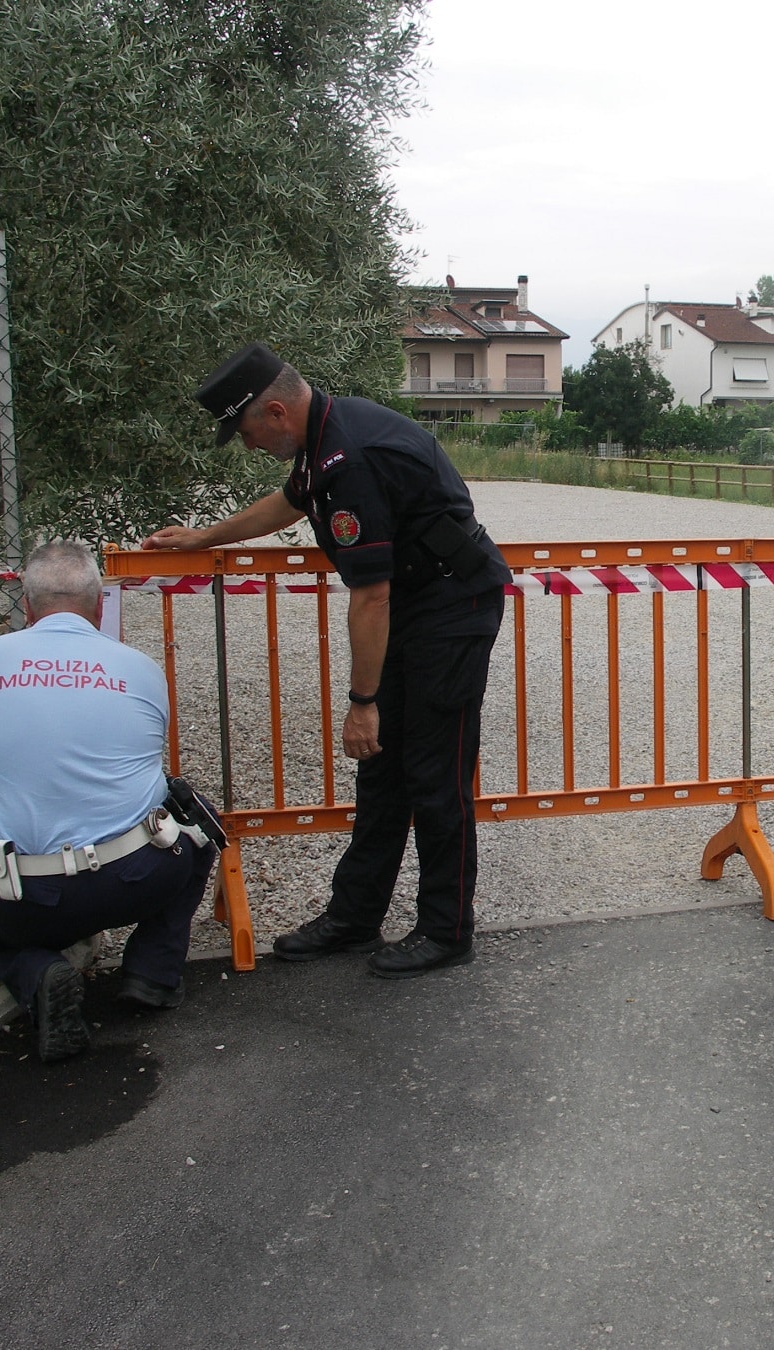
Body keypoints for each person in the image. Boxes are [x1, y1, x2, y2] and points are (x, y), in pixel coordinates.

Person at [141, 343, 510, 977]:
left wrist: (362, 704)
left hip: (449, 608)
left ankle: (447, 930)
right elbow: (289, 501)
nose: (249, 445)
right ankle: (356, 918)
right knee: (382, 772)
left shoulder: (351, 459)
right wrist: (206, 536)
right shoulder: (325, 437)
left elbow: (370, 594)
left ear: (277, 411)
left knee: (433, 773)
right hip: (416, 603)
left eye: (247, 430)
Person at [0, 541, 216, 1061]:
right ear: (100, 608)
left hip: (25, 892)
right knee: (199, 834)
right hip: (133, 877)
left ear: (26, 607)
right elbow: (149, 759)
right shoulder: (137, 667)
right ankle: (152, 975)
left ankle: (39, 974)